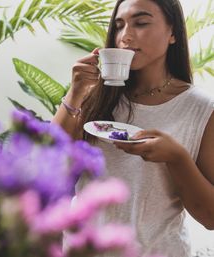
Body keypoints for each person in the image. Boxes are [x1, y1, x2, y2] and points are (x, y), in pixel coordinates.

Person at [51, 0, 214, 256]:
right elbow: (48, 161)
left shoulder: (202, 109)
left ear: (173, 33)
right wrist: (74, 94)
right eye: (118, 26)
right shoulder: (94, 97)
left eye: (141, 23)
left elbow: (210, 217)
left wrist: (177, 157)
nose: (125, 36)